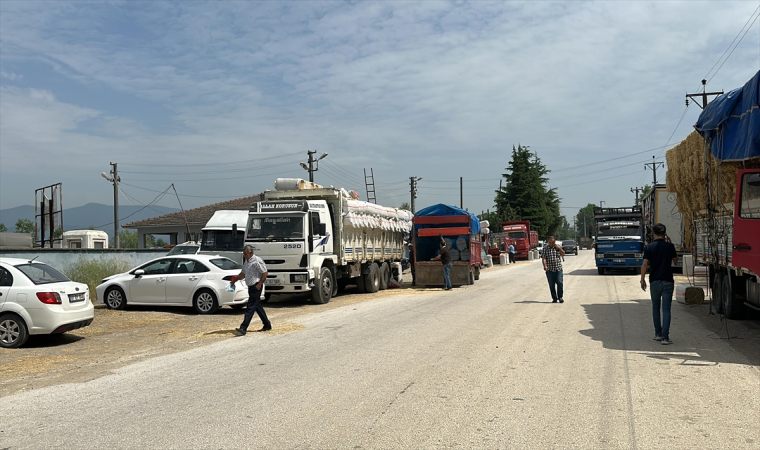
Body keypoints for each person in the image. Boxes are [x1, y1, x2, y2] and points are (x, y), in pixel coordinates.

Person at [640, 223, 678, 345]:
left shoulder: (649, 247)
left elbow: (645, 264)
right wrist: (670, 243)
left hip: (654, 281)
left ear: (654, 234)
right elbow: (676, 261)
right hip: (667, 281)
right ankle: (665, 337)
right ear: (665, 233)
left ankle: (657, 333)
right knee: (666, 309)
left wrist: (642, 279)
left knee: (655, 307)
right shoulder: (670, 246)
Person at [233, 244, 272, 335]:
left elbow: (265, 273)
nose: (244, 255)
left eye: (245, 254)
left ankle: (243, 327)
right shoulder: (247, 261)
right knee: (257, 307)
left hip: (256, 286)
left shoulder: (257, 261)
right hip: (250, 287)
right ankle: (267, 324)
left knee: (250, 307)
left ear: (250, 253)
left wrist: (260, 283)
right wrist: (234, 280)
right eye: (243, 254)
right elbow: (243, 273)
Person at [541, 236, 565, 303]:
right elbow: (544, 258)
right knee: (552, 285)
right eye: (550, 242)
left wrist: (559, 248)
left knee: (560, 282)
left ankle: (560, 297)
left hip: (558, 268)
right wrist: (545, 266)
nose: (551, 243)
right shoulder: (545, 249)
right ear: (548, 242)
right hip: (550, 270)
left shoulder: (557, 248)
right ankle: (554, 298)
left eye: (553, 242)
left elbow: (563, 254)